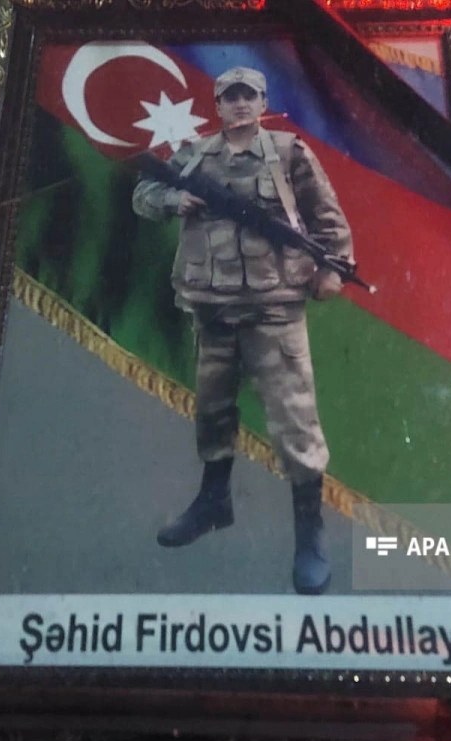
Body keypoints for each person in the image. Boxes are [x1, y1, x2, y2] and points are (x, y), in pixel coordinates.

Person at [131, 67, 352, 596]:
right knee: (212, 410)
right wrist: (173, 201)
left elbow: (328, 218)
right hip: (212, 306)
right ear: (218, 105)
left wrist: (335, 269)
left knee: (295, 421)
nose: (240, 105)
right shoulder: (194, 155)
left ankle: (310, 534)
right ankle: (213, 503)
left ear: (263, 101)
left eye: (248, 96)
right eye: (230, 97)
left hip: (274, 308)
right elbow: (143, 194)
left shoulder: (289, 152)